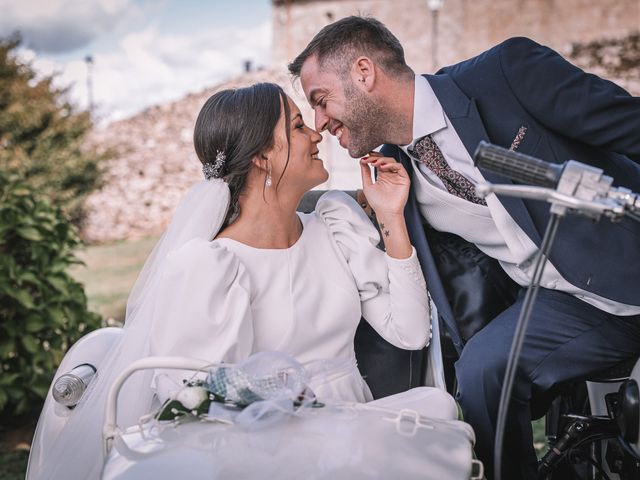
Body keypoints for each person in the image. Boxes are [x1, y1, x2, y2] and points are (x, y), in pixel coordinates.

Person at [30, 82, 454, 480]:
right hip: (261, 444)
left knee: (438, 406)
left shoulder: (334, 226)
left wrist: (391, 216)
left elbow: (413, 332)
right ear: (262, 155)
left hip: (354, 422)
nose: (316, 134)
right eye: (297, 126)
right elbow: (198, 402)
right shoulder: (211, 266)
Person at [288, 15, 640, 480]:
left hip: (629, 259)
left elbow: (630, 127)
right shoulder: (392, 173)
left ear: (364, 73)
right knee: (481, 372)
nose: (319, 121)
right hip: (565, 305)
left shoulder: (506, 74)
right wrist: (382, 210)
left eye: (321, 100)